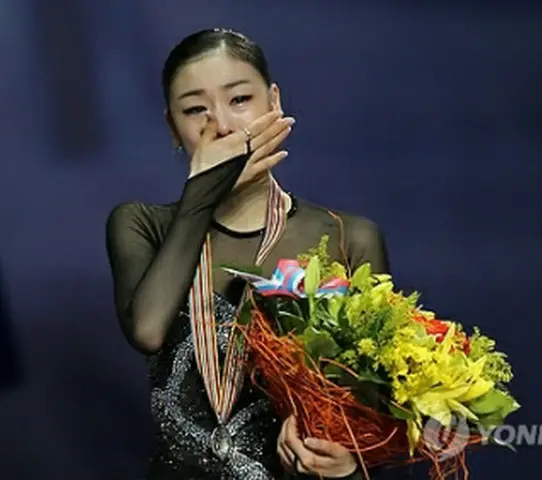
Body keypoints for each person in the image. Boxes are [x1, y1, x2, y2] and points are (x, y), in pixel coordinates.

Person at [106, 28, 390, 480]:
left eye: (240, 99)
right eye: (195, 109)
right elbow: (148, 331)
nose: (222, 124)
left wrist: (346, 461)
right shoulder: (142, 224)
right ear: (172, 128)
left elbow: (371, 413)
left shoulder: (346, 236)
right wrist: (201, 193)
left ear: (273, 101)